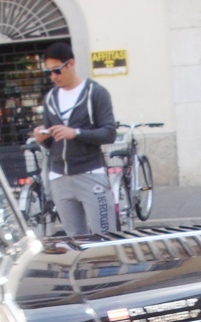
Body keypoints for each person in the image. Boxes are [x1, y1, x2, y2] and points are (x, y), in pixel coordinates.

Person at [32, 42, 117, 235]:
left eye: (57, 70)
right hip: (59, 178)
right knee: (75, 241)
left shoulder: (95, 93)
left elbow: (109, 133)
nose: (53, 76)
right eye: (49, 72)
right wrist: (42, 138)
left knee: (105, 237)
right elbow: (53, 142)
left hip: (90, 174)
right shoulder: (51, 98)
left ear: (70, 64)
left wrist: (76, 133)